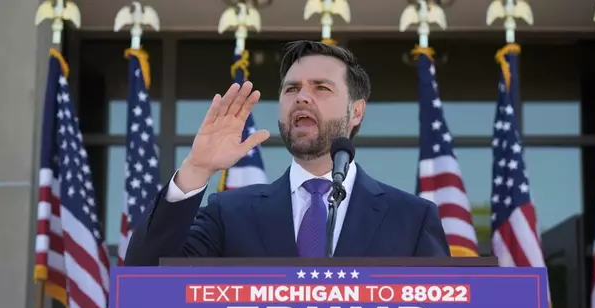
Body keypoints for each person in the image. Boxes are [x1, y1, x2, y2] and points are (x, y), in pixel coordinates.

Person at [124, 40, 450, 266]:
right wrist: (196, 169)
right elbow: (146, 279)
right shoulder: (230, 214)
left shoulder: (411, 219)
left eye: (321, 88)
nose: (302, 98)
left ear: (356, 112)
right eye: (292, 89)